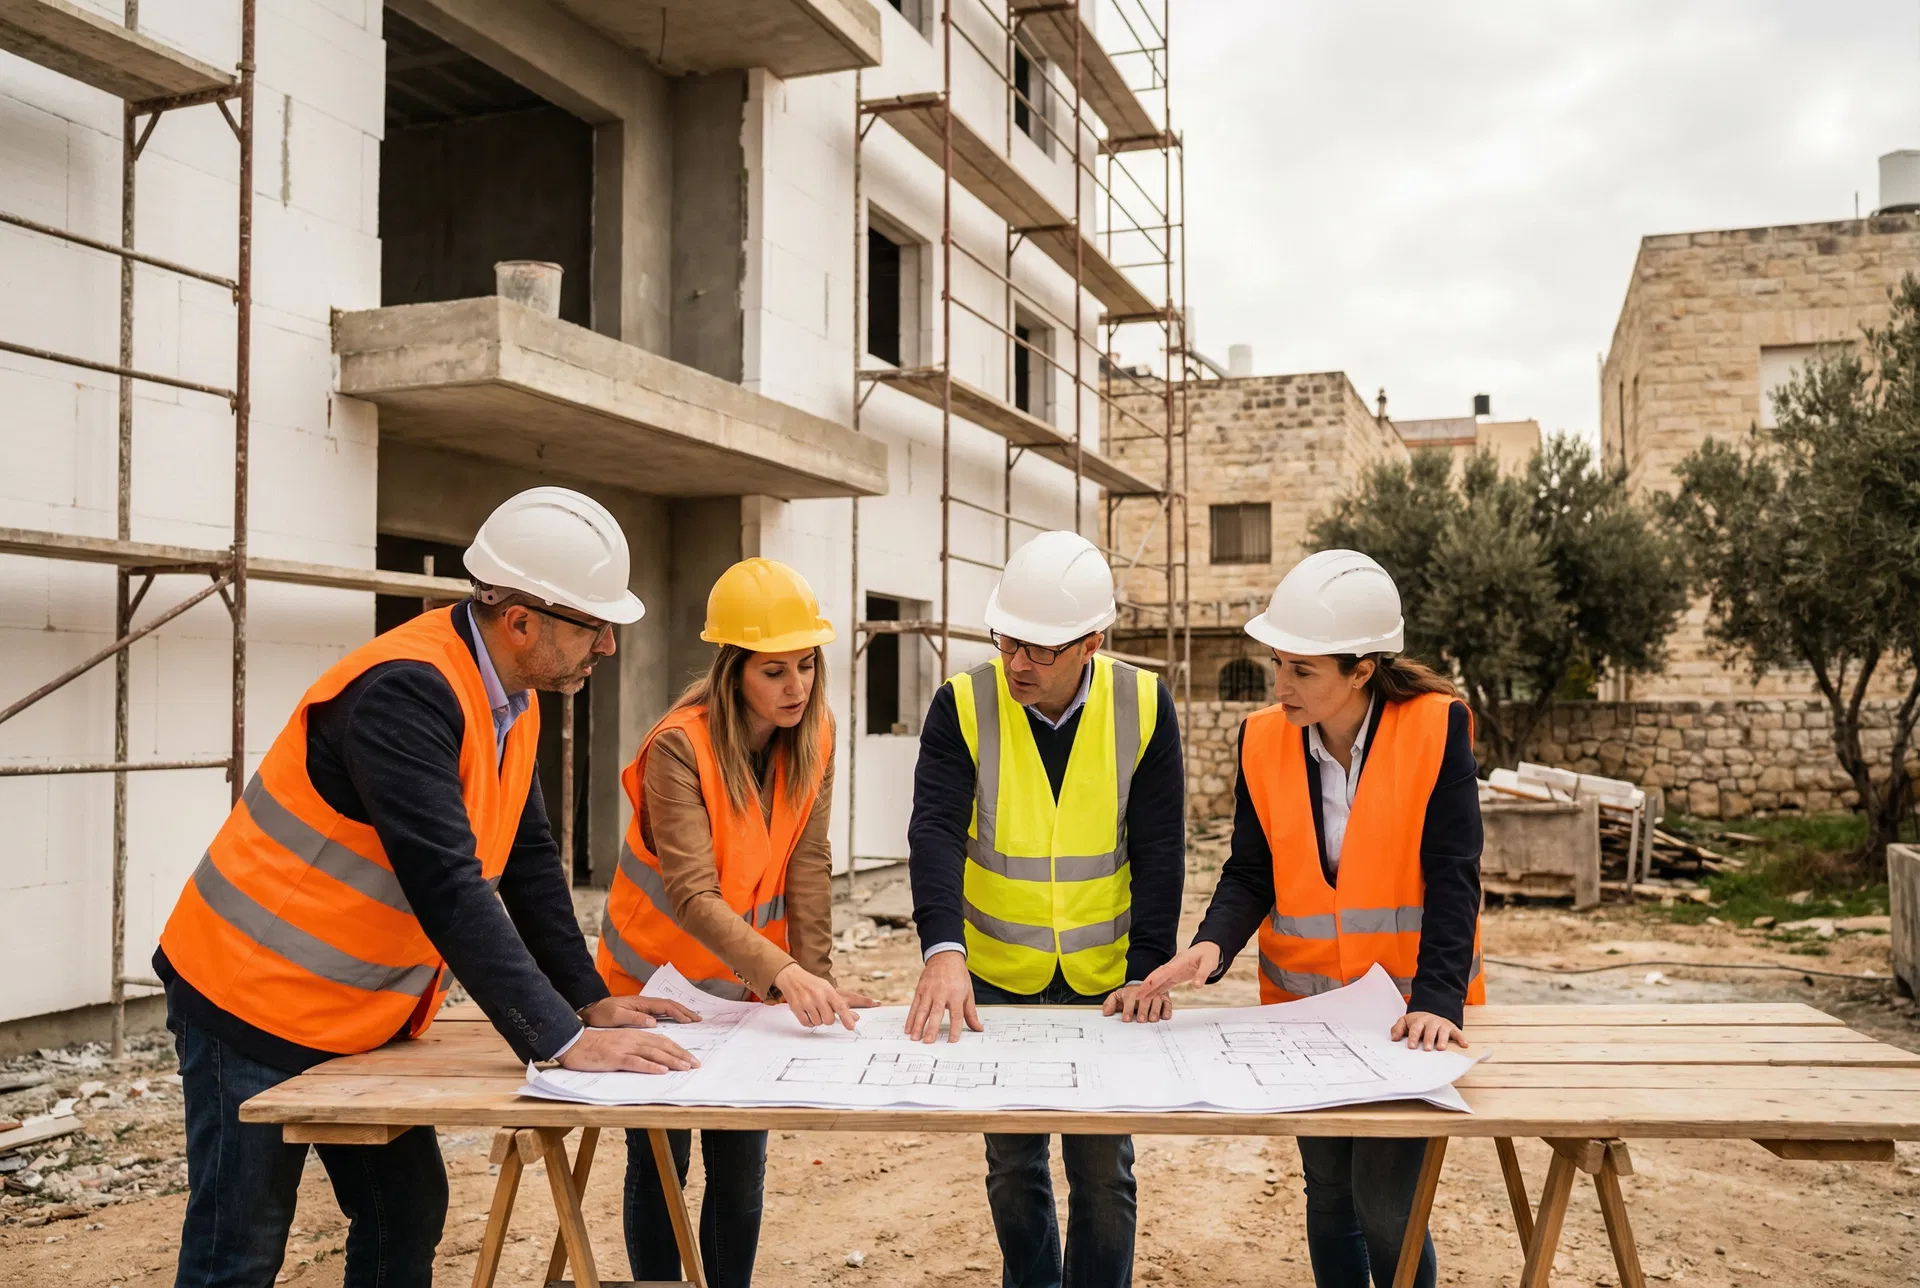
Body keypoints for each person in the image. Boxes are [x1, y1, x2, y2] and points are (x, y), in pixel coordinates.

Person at [155, 487, 700, 1288]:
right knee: (239, 1249)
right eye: (593, 625)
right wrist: (559, 1041)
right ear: (521, 620)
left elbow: (525, 858)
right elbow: (448, 886)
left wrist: (586, 997)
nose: (609, 647)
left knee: (403, 1212)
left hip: (352, 1016)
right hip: (249, 1000)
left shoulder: (512, 699)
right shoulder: (404, 694)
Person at [1139, 549, 1484, 1288]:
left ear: (1361, 670)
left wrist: (1438, 1000)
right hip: (1305, 1014)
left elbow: (1455, 876)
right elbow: (1251, 870)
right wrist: (1210, 945)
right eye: (1278, 664)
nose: (1281, 685)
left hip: (1404, 1020)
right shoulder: (1262, 738)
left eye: (1302, 670)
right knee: (1328, 1197)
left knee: (1388, 1207)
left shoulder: (1435, 728)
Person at [905, 529, 1186, 1288]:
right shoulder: (962, 704)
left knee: (1104, 1171)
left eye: (1041, 649)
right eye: (1008, 640)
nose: (1018, 662)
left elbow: (1161, 850)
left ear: (1092, 641)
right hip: (994, 974)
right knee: (1013, 1165)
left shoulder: (1143, 705)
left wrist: (1148, 971)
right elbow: (932, 832)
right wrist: (943, 950)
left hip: (1106, 982)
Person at [597, 557, 866, 1288]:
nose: (797, 687)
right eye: (774, 671)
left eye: (806, 666)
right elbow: (691, 892)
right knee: (661, 1166)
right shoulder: (679, 746)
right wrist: (783, 971)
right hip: (654, 992)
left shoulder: (815, 735)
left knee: (739, 1166)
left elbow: (809, 865)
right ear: (733, 670)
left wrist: (819, 979)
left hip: (747, 994)